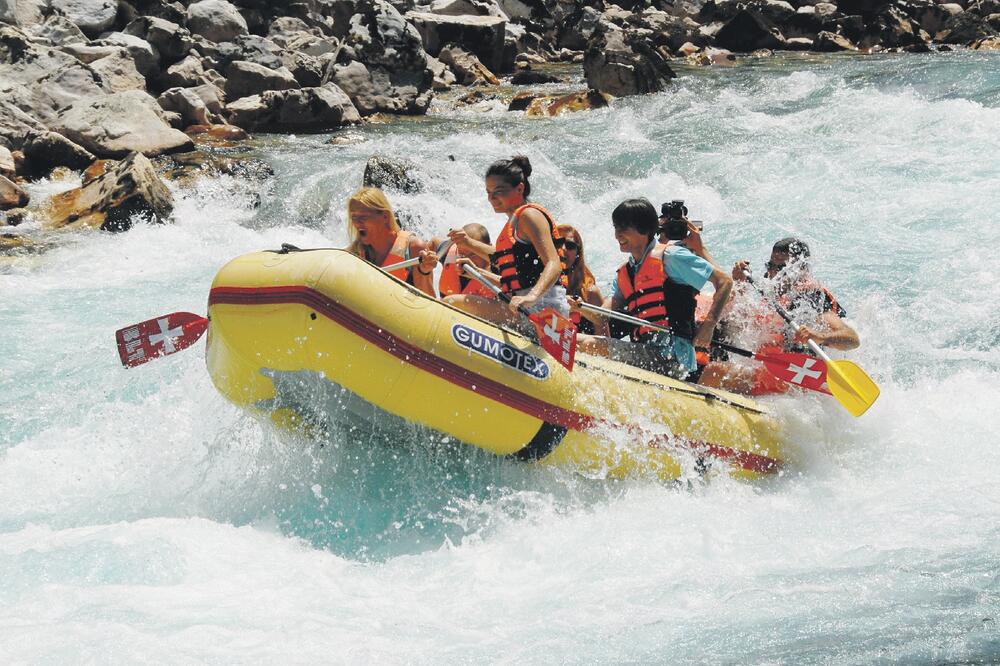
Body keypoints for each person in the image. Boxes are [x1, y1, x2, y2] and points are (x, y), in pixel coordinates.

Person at [572, 198, 733, 380]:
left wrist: (708, 326)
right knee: (581, 339)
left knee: (582, 342)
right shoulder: (625, 272)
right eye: (616, 228)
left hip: (673, 359)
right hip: (645, 353)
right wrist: (577, 307)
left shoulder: (671, 257)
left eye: (623, 228)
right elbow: (602, 316)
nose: (617, 235)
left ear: (644, 229)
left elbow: (725, 282)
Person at [699, 237, 860, 394]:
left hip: (794, 376)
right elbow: (735, 319)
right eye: (770, 265)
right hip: (767, 367)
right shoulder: (770, 292)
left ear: (800, 270)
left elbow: (852, 339)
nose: (772, 273)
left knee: (715, 372)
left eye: (780, 268)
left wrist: (818, 336)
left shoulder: (810, 296)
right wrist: (739, 284)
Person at [446, 156, 569, 327]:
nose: (491, 198)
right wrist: (467, 243)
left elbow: (553, 263)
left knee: (453, 302)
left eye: (498, 191)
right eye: (488, 193)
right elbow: (503, 258)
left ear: (519, 189)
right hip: (520, 306)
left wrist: (531, 296)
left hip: (540, 309)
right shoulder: (515, 222)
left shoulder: (529, 216)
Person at [346, 186, 438, 297]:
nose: (357, 222)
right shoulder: (354, 253)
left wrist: (425, 271)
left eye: (364, 217)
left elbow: (429, 302)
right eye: (354, 217)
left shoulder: (414, 248)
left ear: (385, 217)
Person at [559, 224, 608, 336]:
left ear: (577, 253)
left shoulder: (591, 293)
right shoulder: (539, 286)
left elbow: (607, 344)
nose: (563, 249)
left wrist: (581, 309)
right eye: (558, 243)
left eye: (570, 246)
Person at [435, 223, 495, 299]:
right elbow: (434, 242)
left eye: (473, 254)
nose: (466, 260)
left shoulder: (500, 270)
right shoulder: (449, 252)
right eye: (462, 254)